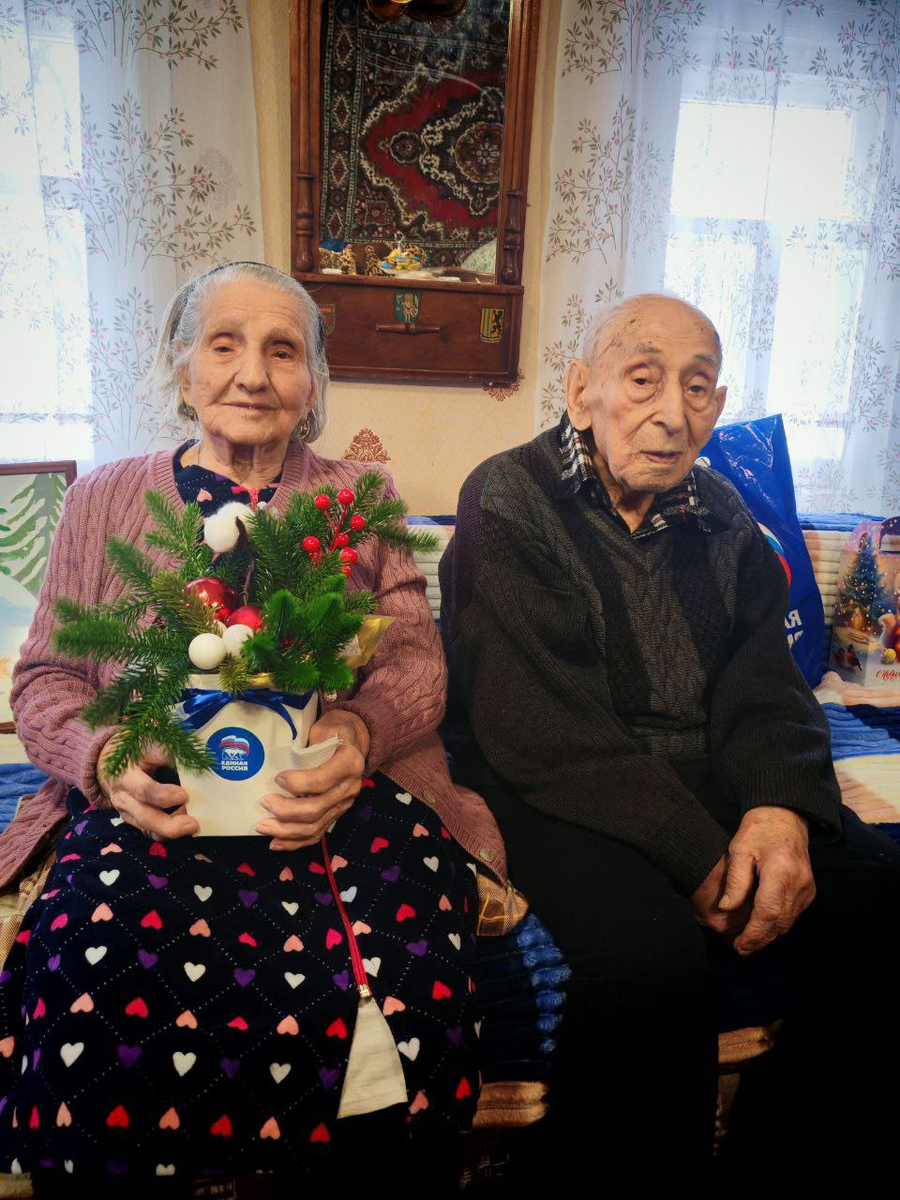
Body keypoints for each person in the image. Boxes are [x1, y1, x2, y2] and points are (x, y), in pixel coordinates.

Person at [0, 262, 508, 1198]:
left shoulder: (359, 496)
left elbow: (415, 664)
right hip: (158, 805)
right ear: (181, 365)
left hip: (335, 797)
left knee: (412, 961)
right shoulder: (103, 496)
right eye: (224, 344)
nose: (252, 374)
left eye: (283, 351)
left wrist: (356, 734)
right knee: (90, 955)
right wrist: (105, 759)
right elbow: (45, 679)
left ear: (312, 380)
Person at [439, 293, 900, 1197]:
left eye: (696, 387)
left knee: (880, 902)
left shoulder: (724, 513)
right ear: (582, 392)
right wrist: (698, 856)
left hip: (699, 763)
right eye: (643, 379)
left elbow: (766, 688)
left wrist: (778, 809)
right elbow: (540, 721)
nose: (671, 413)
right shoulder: (509, 495)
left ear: (717, 407)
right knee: (647, 959)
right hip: (546, 775)